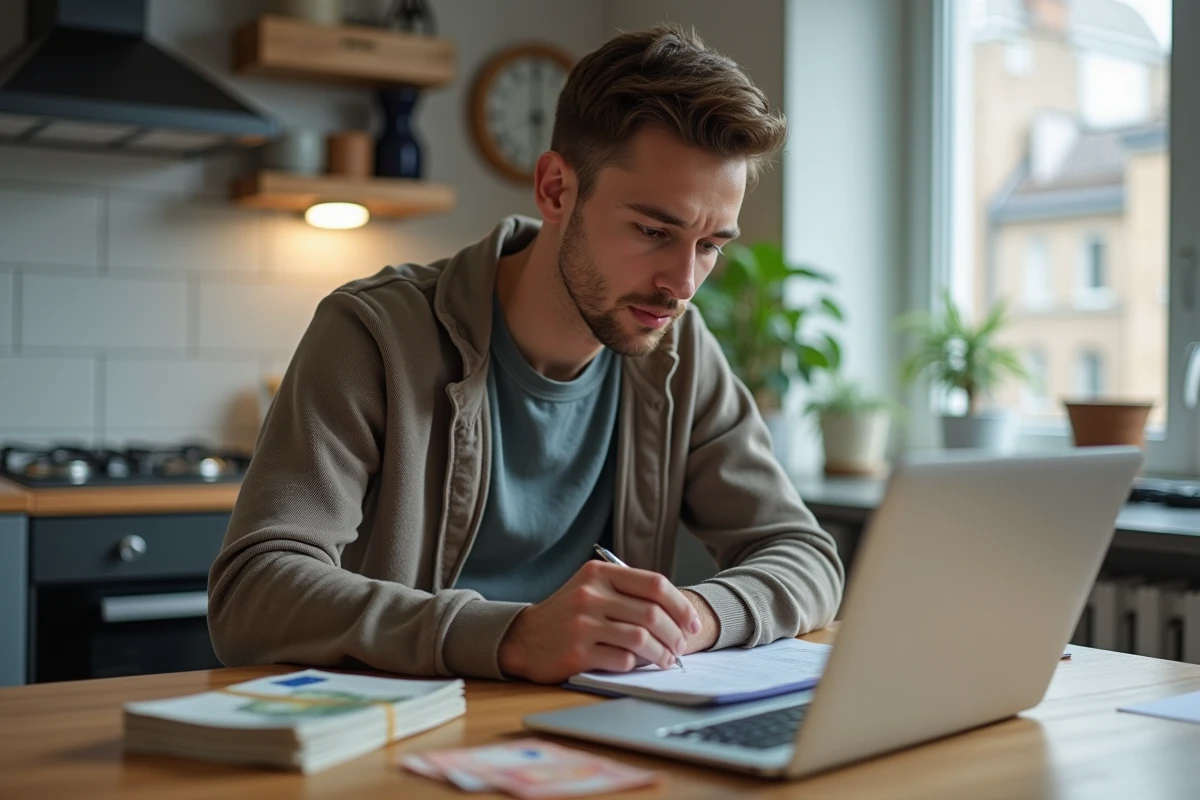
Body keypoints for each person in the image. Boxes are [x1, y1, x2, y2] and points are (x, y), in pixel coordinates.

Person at [207, 24, 844, 685]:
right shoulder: (373, 334)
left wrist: (694, 616)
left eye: (711, 245)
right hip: (398, 736)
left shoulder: (679, 352)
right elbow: (253, 594)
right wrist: (510, 637)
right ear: (555, 189)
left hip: (588, 739)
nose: (683, 283)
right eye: (655, 231)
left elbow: (804, 554)